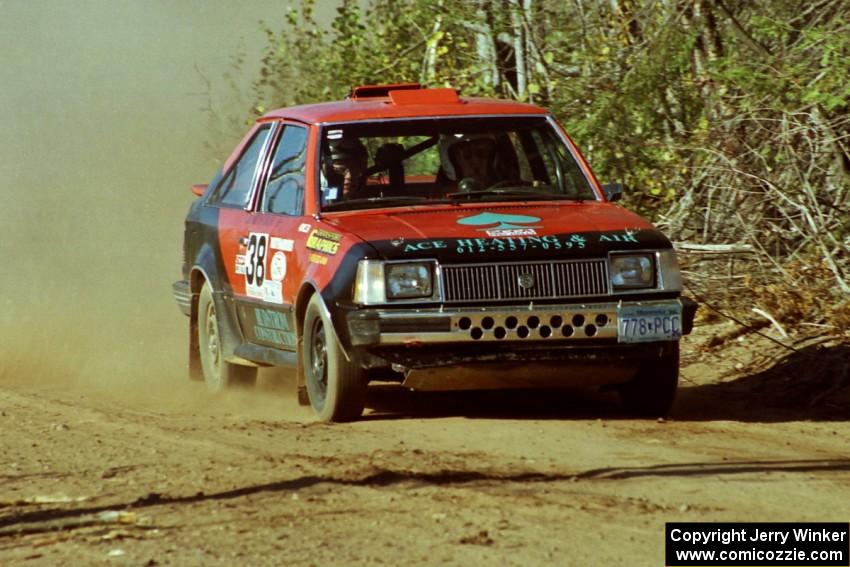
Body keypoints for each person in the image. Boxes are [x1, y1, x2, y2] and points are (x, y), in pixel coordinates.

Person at [323, 136, 368, 200]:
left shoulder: (376, 202)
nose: (349, 176)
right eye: (339, 170)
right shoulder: (313, 201)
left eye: (355, 170)